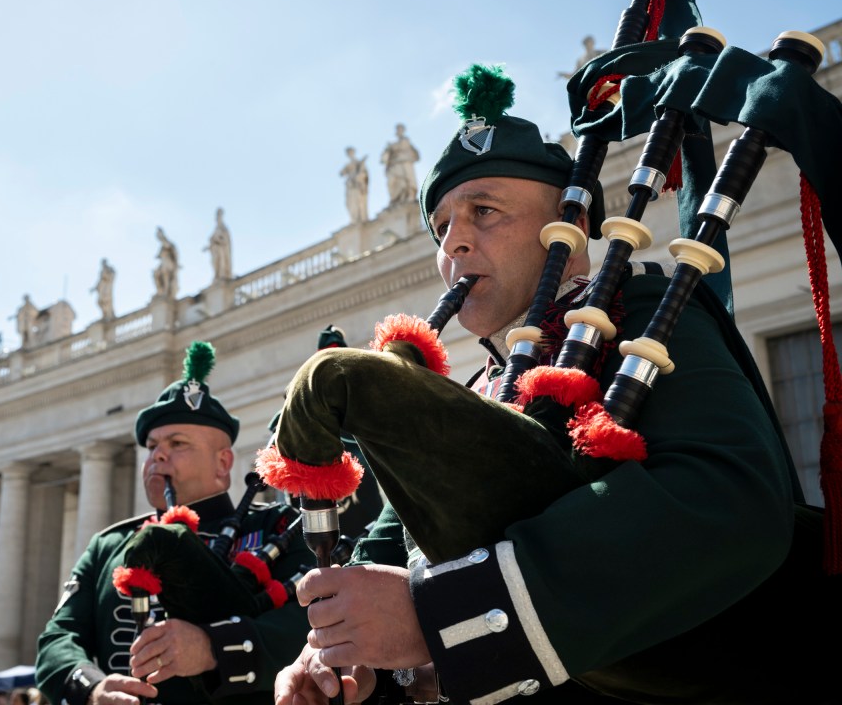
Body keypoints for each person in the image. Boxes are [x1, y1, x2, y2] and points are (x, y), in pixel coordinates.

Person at [271, 65, 835, 703]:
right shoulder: (479, 390)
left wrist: (439, 614)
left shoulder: (644, 308)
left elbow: (727, 501)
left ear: (568, 229)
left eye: (484, 211)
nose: (453, 241)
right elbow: (398, 561)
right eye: (441, 226)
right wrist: (341, 656)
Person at [36, 341, 314, 705]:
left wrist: (214, 648)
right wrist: (92, 687)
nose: (158, 455)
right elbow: (57, 639)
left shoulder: (280, 527)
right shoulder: (108, 546)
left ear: (223, 464)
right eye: (151, 446)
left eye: (177, 442)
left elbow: (310, 623)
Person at [379, 123, 419, 207]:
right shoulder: (392, 145)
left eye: (400, 129)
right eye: (397, 129)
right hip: (394, 165)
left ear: (403, 130)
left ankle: (409, 196)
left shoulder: (406, 141)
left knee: (407, 181)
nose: (399, 131)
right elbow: (384, 158)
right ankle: (396, 199)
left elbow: (416, 155)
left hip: (404, 163)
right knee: (393, 182)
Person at [339, 147, 369, 224]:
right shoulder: (349, 164)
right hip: (350, 184)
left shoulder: (359, 162)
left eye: (351, 152)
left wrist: (359, 176)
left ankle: (359, 218)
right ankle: (354, 219)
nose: (350, 154)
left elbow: (364, 174)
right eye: (348, 153)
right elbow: (341, 173)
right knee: (349, 203)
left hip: (357, 184)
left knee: (357, 201)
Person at [205, 207, 232, 282]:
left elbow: (226, 241)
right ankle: (217, 276)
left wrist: (218, 240)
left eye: (219, 216)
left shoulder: (224, 228)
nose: (217, 219)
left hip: (221, 250)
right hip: (215, 250)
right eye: (217, 217)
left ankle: (222, 275)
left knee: (221, 263)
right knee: (215, 263)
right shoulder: (216, 229)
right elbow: (212, 240)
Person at [153, 227, 180, 298]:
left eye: (159, 235)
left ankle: (166, 291)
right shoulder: (162, 246)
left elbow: (173, 252)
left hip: (168, 263)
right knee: (156, 273)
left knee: (165, 274)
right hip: (163, 262)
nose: (158, 237)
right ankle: (161, 290)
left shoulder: (167, 243)